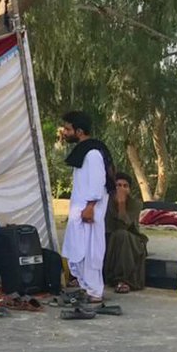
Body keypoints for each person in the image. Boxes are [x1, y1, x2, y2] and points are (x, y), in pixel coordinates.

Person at [58, 110, 116, 304]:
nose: (65, 132)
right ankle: (87, 288)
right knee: (79, 252)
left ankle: (94, 291)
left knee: (90, 253)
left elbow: (98, 182)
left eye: (68, 129)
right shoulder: (85, 150)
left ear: (79, 131)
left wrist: (90, 207)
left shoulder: (92, 153)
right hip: (80, 211)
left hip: (89, 212)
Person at [104, 172, 147, 294]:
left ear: (129, 189)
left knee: (121, 235)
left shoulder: (135, 204)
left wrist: (121, 204)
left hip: (131, 241)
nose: (121, 189)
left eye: (125, 186)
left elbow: (123, 226)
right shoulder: (106, 201)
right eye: (118, 185)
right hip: (109, 238)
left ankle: (123, 280)